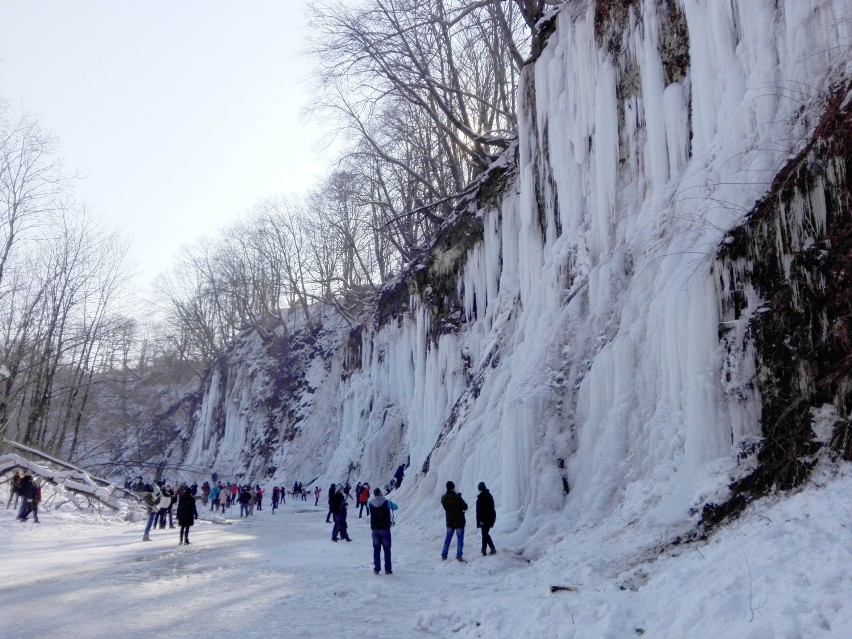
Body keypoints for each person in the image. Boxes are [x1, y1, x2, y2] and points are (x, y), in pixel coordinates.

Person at [440, 480, 467, 562]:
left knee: (447, 539)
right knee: (460, 539)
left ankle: (444, 555)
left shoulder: (443, 497)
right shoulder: (457, 497)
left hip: (449, 521)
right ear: (453, 487)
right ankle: (459, 556)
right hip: (459, 521)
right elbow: (465, 507)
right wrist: (460, 497)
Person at [369, 488, 392, 574]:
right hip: (385, 529)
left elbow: (368, 507)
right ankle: (387, 569)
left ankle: (376, 569)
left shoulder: (370, 503)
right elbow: (395, 507)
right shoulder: (386, 502)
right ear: (380, 493)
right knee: (387, 550)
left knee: (376, 550)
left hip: (375, 529)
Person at [475, 482, 497, 556]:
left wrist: (481, 520)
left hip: (485, 519)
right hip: (490, 518)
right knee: (484, 534)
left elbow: (480, 510)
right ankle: (483, 550)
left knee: (485, 534)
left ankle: (492, 548)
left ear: (480, 489)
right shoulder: (488, 495)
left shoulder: (482, 497)